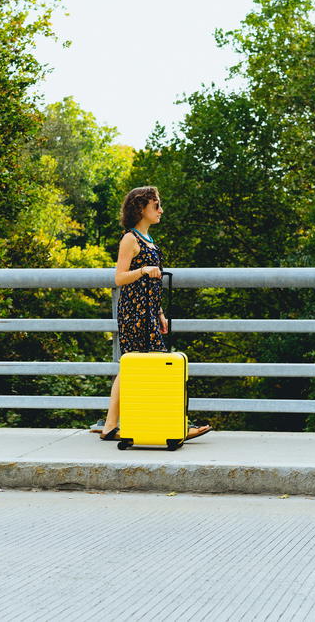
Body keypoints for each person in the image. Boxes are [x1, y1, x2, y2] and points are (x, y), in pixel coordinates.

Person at [98, 186, 211, 442]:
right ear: (141, 208)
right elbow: (119, 277)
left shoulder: (148, 240)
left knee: (135, 366)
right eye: (156, 205)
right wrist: (143, 270)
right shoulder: (130, 239)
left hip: (148, 311)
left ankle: (113, 425)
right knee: (145, 365)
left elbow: (153, 283)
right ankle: (175, 424)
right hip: (134, 311)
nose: (160, 210)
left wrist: (159, 313)